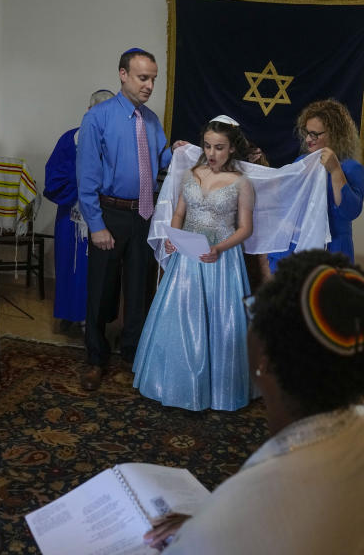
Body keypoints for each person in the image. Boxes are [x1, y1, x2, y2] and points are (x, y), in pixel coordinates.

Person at [143, 250, 364, 553]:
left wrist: (209, 529)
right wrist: (207, 525)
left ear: (265, 359)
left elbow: (252, 524)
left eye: (254, 311)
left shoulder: (248, 505)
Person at [132, 116, 255, 411]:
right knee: (182, 318)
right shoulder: (191, 173)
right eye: (208, 146)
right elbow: (179, 213)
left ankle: (217, 389)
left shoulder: (242, 183)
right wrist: (173, 237)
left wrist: (219, 248)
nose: (212, 153)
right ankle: (176, 382)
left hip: (220, 259)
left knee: (218, 321)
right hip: (187, 257)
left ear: (232, 149)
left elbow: (245, 229)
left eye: (219, 148)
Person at [76, 48, 172, 390]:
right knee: (101, 290)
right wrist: (97, 225)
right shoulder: (97, 118)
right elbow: (86, 177)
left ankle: (133, 356)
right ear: (123, 75)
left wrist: (184, 152)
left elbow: (163, 160)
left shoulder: (150, 120)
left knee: (139, 290)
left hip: (143, 213)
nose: (149, 86)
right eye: (143, 78)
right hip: (110, 215)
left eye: (153, 79)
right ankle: (96, 359)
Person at [44, 89, 115, 335]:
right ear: (88, 111)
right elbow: (54, 177)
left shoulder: (115, 142)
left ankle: (91, 319)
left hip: (103, 219)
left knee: (94, 272)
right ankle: (68, 314)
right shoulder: (70, 139)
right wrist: (83, 183)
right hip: (71, 217)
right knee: (68, 267)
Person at [267, 99, 364, 271]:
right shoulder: (301, 162)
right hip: (300, 245)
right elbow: (284, 202)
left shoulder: (351, 168)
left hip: (333, 248)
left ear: (335, 134)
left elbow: (350, 212)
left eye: (315, 134)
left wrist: (335, 171)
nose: (307, 139)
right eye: (306, 132)